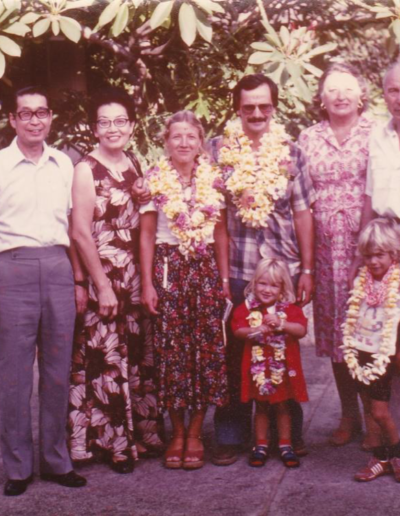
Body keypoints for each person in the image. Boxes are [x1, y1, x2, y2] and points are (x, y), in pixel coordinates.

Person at [210, 73, 315, 465]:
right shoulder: (218, 149)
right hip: (239, 267)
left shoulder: (291, 152)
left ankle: (288, 433)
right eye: (248, 106)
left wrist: (306, 268)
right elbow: (215, 215)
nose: (256, 113)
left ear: (274, 107)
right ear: (236, 108)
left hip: (283, 268)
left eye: (264, 106)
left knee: (284, 349)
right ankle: (232, 434)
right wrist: (222, 275)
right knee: (238, 351)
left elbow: (303, 212)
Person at [68, 88, 164, 474]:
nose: (113, 128)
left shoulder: (135, 164)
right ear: (94, 128)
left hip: (133, 278)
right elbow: (79, 231)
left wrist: (145, 278)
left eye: (120, 120)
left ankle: (136, 435)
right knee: (104, 361)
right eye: (104, 122)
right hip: (103, 278)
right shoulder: (85, 169)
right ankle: (107, 443)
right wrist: (101, 285)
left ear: (132, 125)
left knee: (133, 357)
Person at [0, 86, 86, 496]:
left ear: (51, 118)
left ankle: (55, 460)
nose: (35, 120)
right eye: (25, 113)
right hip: (11, 269)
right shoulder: (0, 166)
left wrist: (79, 280)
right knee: (14, 374)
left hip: (57, 267)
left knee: (57, 371)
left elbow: (76, 227)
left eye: (42, 112)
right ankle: (17, 467)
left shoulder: (65, 166)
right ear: (12, 120)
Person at [140, 110, 230, 470]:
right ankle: (176, 432)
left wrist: (223, 281)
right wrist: (147, 283)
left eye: (191, 137)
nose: (183, 143)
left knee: (205, 352)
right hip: (168, 269)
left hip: (205, 269)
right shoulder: (154, 179)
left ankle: (196, 432)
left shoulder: (214, 179)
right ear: (166, 141)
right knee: (172, 353)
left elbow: (221, 233)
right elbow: (146, 234)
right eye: (176, 136)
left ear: (201, 143)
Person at [298, 63, 374, 448]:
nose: (340, 95)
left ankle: (378, 415)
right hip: (328, 254)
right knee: (338, 337)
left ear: (361, 96)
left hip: (372, 249)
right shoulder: (308, 138)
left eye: (347, 89)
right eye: (332, 90)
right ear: (322, 99)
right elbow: (299, 200)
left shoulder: (378, 132)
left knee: (374, 331)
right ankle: (348, 415)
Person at [232, 259, 308, 469]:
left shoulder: (289, 309)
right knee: (261, 407)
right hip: (258, 370)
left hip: (281, 369)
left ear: (283, 288)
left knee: (284, 406)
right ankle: (261, 445)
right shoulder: (247, 308)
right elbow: (237, 330)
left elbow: (301, 330)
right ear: (254, 283)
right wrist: (256, 331)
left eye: (274, 285)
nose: (267, 290)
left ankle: (285, 444)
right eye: (262, 284)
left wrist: (281, 324)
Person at [341, 219, 400, 482]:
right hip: (362, 350)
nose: (374, 261)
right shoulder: (362, 280)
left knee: (379, 411)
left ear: (393, 254)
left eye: (379, 255)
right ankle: (380, 458)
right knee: (370, 410)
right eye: (368, 256)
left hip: (385, 354)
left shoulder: (396, 283)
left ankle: (396, 454)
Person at [361, 60, 400, 227]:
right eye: (393, 91)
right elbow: (370, 196)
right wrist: (363, 248)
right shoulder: (377, 137)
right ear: (384, 95)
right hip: (385, 235)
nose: (399, 99)